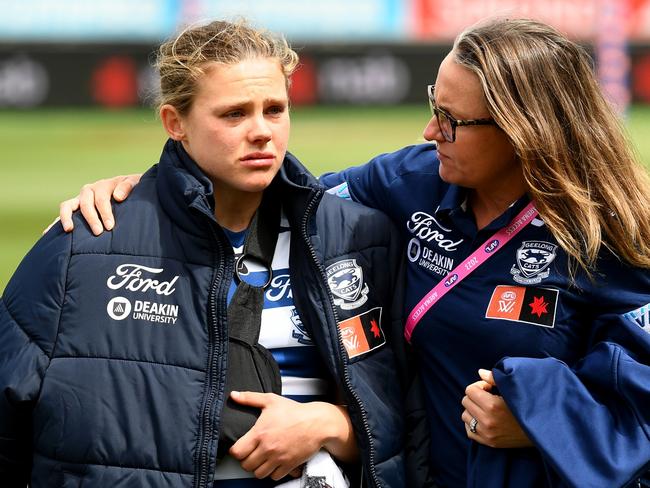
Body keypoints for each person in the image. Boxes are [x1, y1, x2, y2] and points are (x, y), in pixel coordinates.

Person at [63, 17, 650, 487]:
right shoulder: (412, 179)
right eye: (432, 104)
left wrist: (544, 423)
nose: (428, 131)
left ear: (526, 130)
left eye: (452, 121)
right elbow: (282, 196)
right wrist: (147, 197)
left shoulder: (612, 235)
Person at [0, 20, 410, 488]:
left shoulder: (358, 237)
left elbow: (413, 420)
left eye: (274, 109)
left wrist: (332, 425)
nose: (262, 132)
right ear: (176, 123)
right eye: (234, 114)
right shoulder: (85, 242)